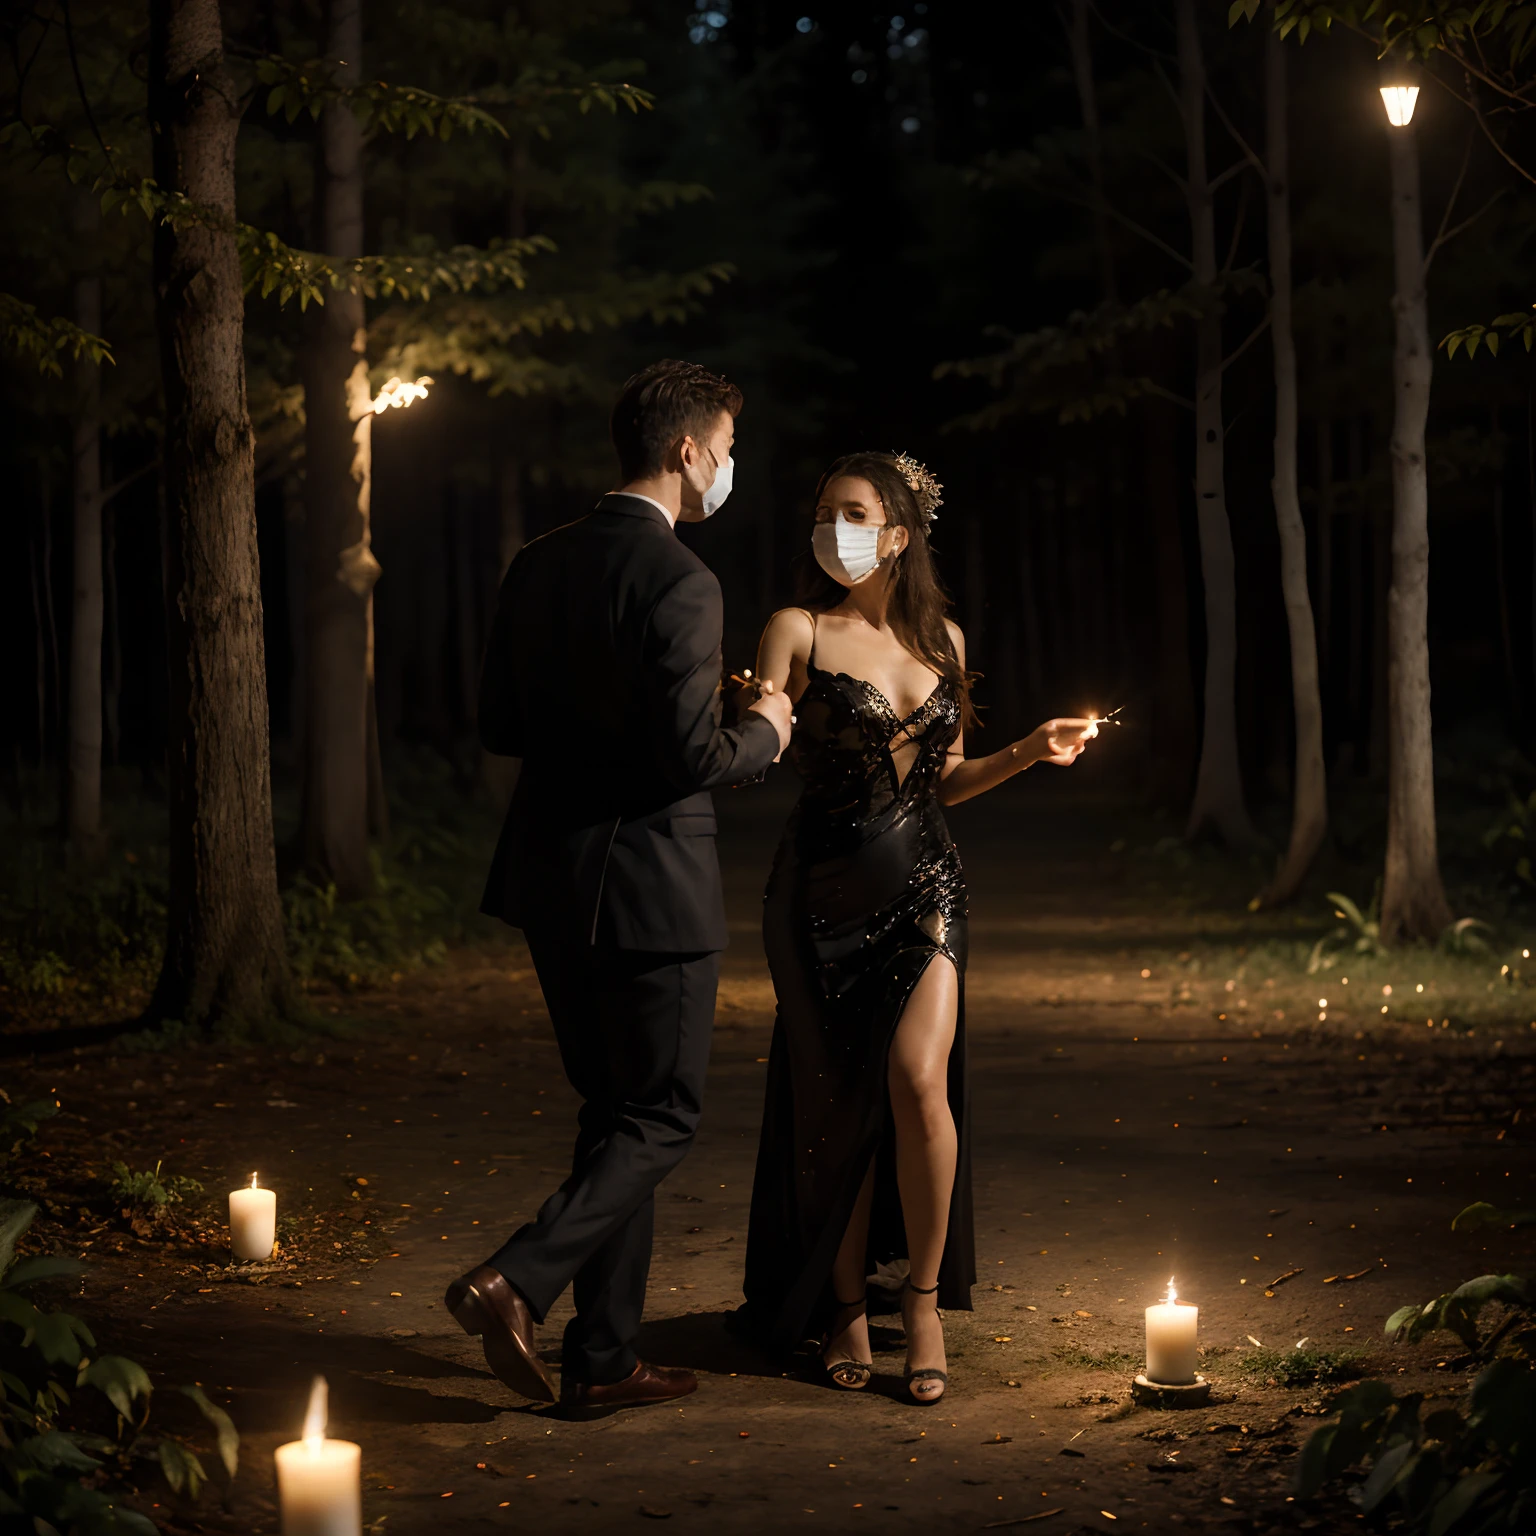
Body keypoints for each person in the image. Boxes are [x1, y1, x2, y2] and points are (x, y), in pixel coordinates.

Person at [448, 360, 793, 1412]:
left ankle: (602, 1360)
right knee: (662, 1118)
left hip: (554, 879)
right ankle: (515, 1278)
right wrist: (764, 733)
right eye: (726, 449)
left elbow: (503, 727)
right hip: (653, 885)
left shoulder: (537, 563)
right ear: (688, 451)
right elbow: (690, 757)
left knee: (615, 1114)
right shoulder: (683, 578)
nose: (729, 466)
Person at [737, 451, 1093, 1405]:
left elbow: (943, 779)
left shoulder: (945, 641)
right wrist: (750, 712)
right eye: (822, 512)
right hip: (817, 896)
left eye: (852, 512)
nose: (832, 528)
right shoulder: (796, 628)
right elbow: (758, 738)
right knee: (838, 1102)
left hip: (927, 884)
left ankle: (923, 1302)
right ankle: (846, 1305)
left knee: (915, 1080)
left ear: (897, 533)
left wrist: (1029, 750)